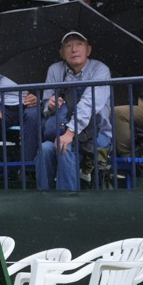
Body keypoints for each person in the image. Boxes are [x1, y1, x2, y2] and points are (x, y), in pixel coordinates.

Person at [37, 31, 114, 191]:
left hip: (97, 134)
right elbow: (45, 105)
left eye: (79, 44)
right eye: (69, 45)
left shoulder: (100, 69)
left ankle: (68, 205)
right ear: (62, 53)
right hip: (62, 131)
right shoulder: (55, 70)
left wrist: (70, 133)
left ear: (88, 50)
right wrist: (50, 106)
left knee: (66, 148)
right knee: (45, 148)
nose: (74, 49)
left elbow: (89, 104)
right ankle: (43, 200)